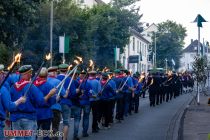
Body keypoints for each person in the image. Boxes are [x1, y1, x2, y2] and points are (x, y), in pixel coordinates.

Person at [10, 65, 56, 140]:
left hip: (15, 119)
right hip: (29, 118)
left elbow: (9, 103)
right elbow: (41, 101)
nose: (31, 74)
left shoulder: (12, 87)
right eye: (30, 72)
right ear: (27, 73)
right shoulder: (31, 87)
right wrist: (50, 94)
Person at [34, 67, 57, 140]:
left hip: (34, 112)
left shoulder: (32, 85)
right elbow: (52, 101)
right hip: (46, 113)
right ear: (47, 75)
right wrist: (56, 99)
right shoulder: (49, 86)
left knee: (34, 135)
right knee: (46, 135)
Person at [57, 64, 76, 140]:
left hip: (56, 102)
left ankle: (54, 138)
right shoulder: (69, 79)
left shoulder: (56, 78)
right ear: (67, 70)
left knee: (55, 122)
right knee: (66, 122)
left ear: (59, 69)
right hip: (66, 102)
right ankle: (64, 138)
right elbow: (73, 93)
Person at [47, 66, 65, 140]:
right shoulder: (58, 82)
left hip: (45, 107)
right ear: (54, 73)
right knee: (55, 126)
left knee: (46, 127)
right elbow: (64, 94)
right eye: (56, 72)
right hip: (55, 107)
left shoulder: (44, 81)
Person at [73, 71, 92, 140]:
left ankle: (75, 134)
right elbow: (90, 94)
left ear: (80, 75)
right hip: (86, 102)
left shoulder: (76, 82)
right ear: (86, 76)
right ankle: (84, 132)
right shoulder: (88, 84)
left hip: (78, 102)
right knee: (86, 117)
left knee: (77, 119)